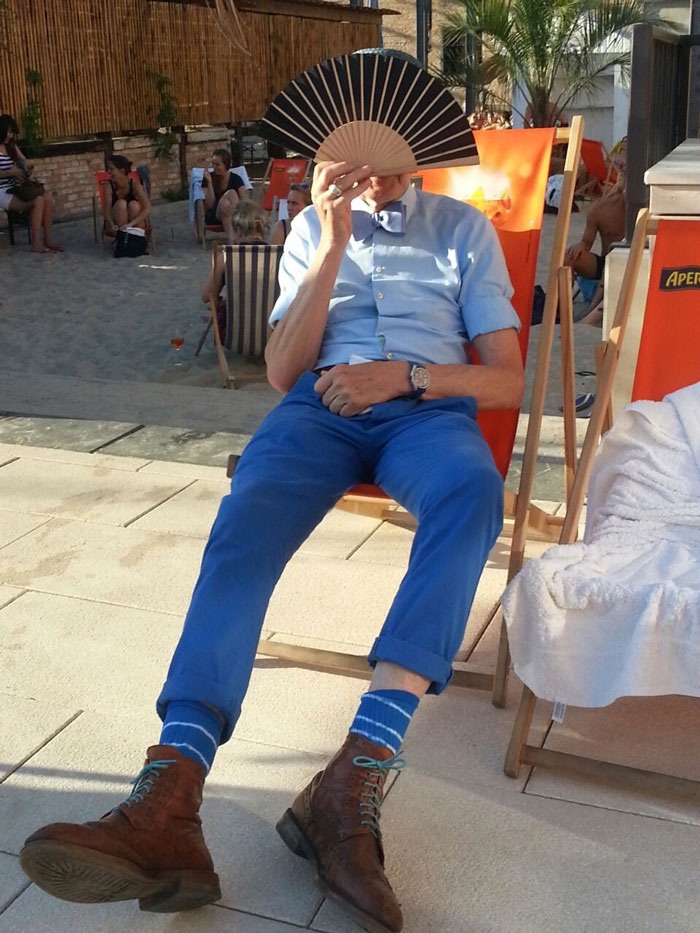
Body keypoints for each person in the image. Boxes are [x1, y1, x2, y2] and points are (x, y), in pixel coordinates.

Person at [20, 157, 524, 932]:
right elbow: (284, 371)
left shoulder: (462, 230)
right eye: (351, 155)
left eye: (386, 157)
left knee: (473, 493)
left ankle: (352, 779)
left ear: (411, 149)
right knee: (245, 520)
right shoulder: (313, 228)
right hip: (317, 410)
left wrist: (405, 375)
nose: (371, 173)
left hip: (425, 412)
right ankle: (171, 797)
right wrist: (331, 242)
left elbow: (508, 380)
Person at [565, 173, 626, 326]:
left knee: (614, 260)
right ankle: (562, 309)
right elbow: (587, 242)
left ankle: (590, 312)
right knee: (569, 256)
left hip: (631, 263)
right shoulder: (600, 209)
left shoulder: (647, 208)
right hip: (606, 261)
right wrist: (581, 245)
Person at [0, 113, 62, 253]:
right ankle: (36, 243)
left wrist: (27, 166)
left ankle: (48, 240)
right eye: (8, 132)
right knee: (38, 201)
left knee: (47, 197)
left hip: (17, 187)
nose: (10, 135)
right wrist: (10, 172)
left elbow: (24, 161)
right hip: (2, 191)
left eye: (12, 132)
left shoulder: (12, 146)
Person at [200, 201, 269, 305]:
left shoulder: (227, 257)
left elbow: (206, 296)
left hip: (237, 315)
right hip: (270, 315)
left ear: (239, 230)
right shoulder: (276, 255)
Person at [201, 147, 248, 240]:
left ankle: (232, 241)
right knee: (231, 193)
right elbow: (209, 206)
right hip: (214, 215)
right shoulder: (209, 177)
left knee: (226, 206)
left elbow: (245, 201)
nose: (214, 167)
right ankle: (237, 240)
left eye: (217, 164)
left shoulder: (236, 179)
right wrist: (209, 183)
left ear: (226, 164)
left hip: (230, 214)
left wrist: (233, 208)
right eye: (213, 164)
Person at [101, 154, 151, 239]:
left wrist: (130, 224)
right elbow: (107, 212)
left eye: (111, 169)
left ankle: (134, 238)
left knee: (134, 205)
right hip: (115, 224)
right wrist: (112, 224)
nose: (108, 172)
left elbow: (148, 208)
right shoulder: (108, 186)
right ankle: (125, 237)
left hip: (134, 223)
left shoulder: (135, 185)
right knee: (121, 204)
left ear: (122, 170)